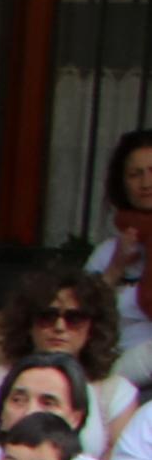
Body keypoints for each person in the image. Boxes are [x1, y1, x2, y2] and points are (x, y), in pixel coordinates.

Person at [0, 270, 135, 452]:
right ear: (28, 323)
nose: (59, 327)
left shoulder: (114, 393)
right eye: (47, 316)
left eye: (74, 318)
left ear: (93, 327)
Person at [89, 126, 152, 362]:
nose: (146, 183)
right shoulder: (108, 252)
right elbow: (80, 315)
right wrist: (117, 267)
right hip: (117, 369)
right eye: (135, 174)